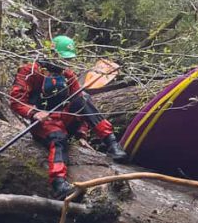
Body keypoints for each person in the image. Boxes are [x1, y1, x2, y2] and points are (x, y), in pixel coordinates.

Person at [10, 35, 127, 198]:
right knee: (59, 138)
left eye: (66, 59)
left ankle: (112, 143)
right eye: (61, 57)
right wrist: (34, 112)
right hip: (44, 123)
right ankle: (59, 183)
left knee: (83, 97)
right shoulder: (30, 71)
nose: (64, 62)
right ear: (51, 52)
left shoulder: (67, 75)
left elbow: (80, 105)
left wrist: (81, 133)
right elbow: (15, 101)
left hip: (64, 118)